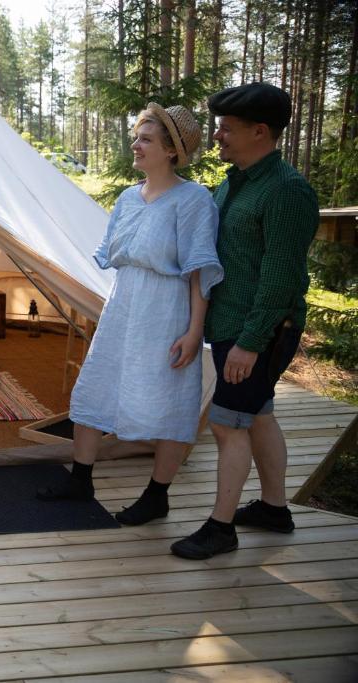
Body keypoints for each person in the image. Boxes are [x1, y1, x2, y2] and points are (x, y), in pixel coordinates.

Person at [38, 103, 223, 527]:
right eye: (136, 137)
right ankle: (81, 480)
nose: (135, 145)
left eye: (145, 139)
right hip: (124, 305)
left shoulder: (194, 200)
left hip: (167, 309)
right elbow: (119, 257)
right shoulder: (127, 197)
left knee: (169, 401)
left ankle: (157, 495)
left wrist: (195, 331)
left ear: (172, 151)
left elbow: (198, 270)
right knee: (93, 390)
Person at [171, 83, 319, 560]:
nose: (218, 137)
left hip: (260, 330)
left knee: (227, 425)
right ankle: (275, 510)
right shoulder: (234, 181)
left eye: (226, 129)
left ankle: (221, 527)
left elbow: (280, 279)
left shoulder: (287, 191)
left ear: (261, 131)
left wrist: (251, 342)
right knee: (258, 416)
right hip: (234, 324)